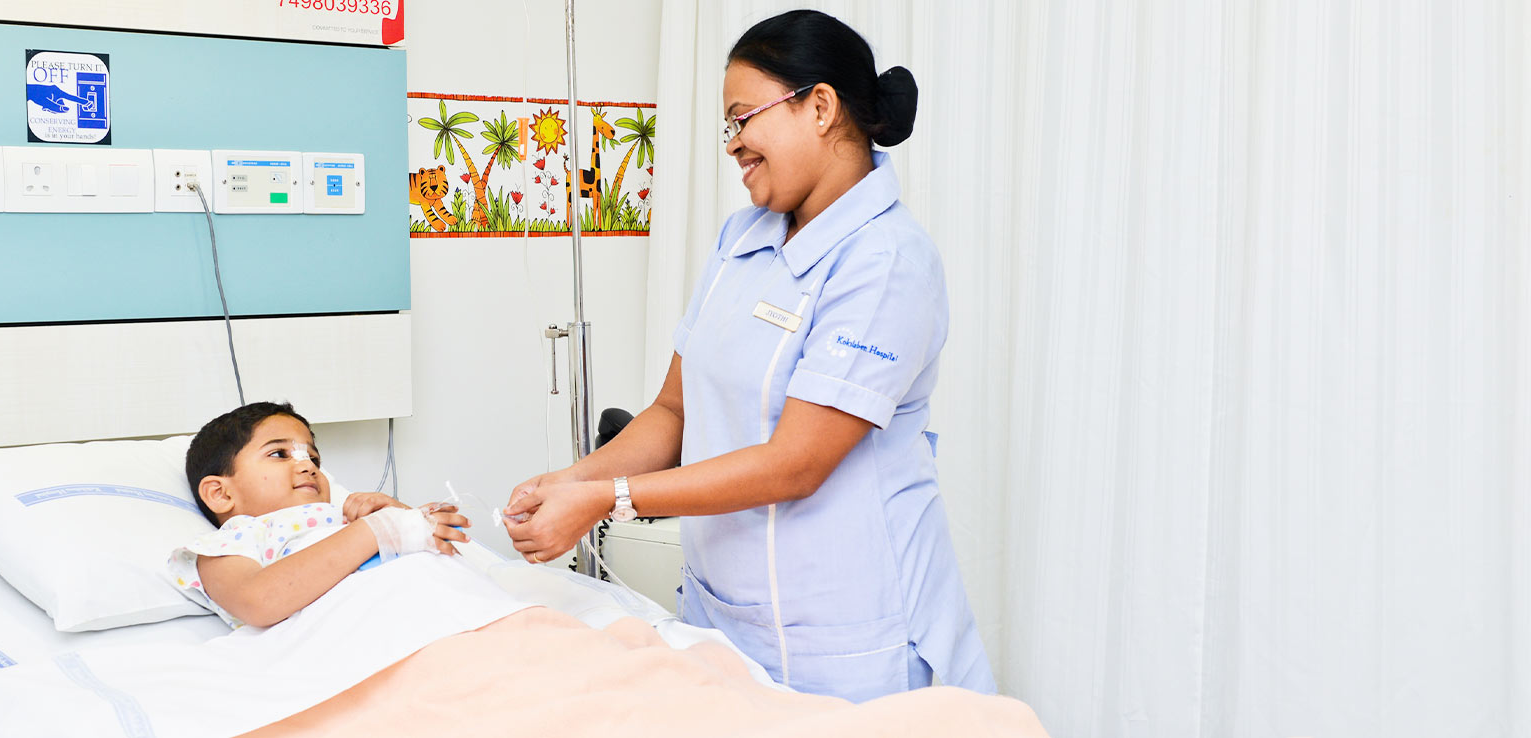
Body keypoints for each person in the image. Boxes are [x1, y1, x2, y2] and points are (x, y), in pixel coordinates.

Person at [504, 9, 994, 702]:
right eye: (728, 127)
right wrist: (569, 481)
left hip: (841, 634)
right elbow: (674, 411)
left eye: (743, 119)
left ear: (820, 106)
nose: (732, 144)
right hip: (723, 614)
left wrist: (603, 500)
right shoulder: (742, 237)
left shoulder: (887, 262)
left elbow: (796, 463)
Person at [169, 401, 471, 628]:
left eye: (312, 457)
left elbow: (447, 551)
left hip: (450, 609)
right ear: (221, 494)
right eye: (279, 454)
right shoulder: (238, 537)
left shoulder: (351, 517)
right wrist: (374, 530)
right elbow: (257, 601)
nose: (308, 466)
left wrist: (401, 514)